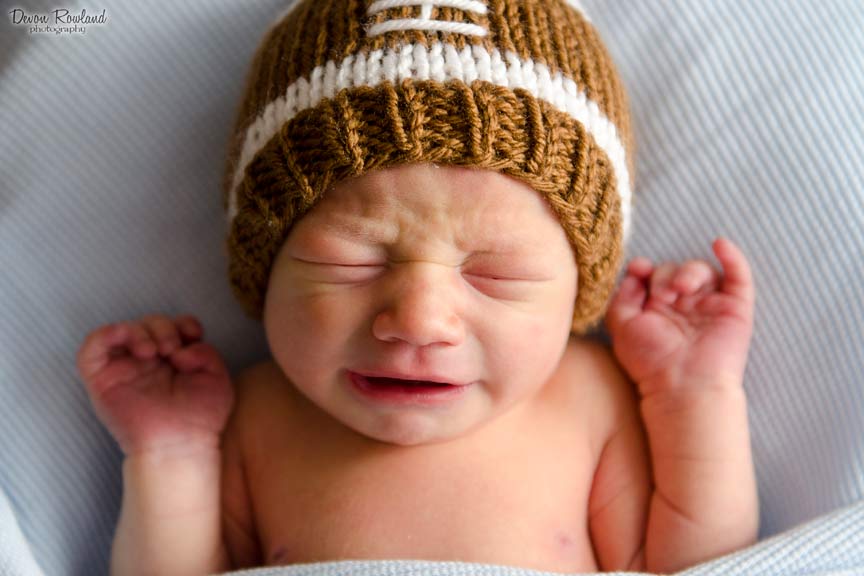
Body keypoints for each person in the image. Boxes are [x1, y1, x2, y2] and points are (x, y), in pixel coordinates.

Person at [77, 0, 758, 573]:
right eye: (353, 262)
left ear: (580, 288)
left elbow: (700, 567)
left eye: (496, 273)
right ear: (265, 266)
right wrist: (171, 453)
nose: (419, 320)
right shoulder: (252, 418)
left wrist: (693, 394)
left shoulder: (588, 399)